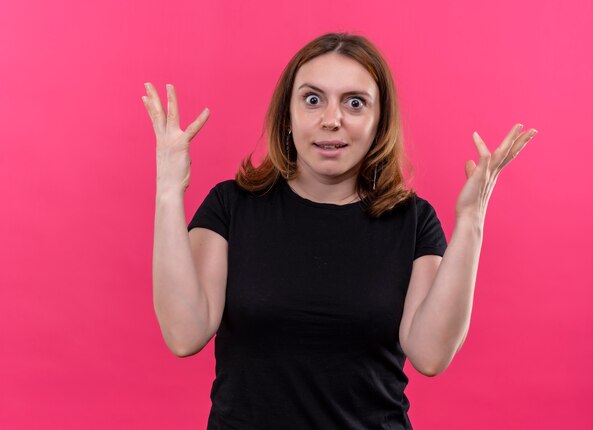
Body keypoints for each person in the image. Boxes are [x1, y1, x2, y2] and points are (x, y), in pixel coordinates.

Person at [143, 32, 537, 430]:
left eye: (355, 103)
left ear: (379, 119)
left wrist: (472, 219)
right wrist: (168, 192)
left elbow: (431, 356)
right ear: (288, 114)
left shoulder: (412, 221)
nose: (332, 119)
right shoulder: (232, 206)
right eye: (313, 99)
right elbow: (183, 333)